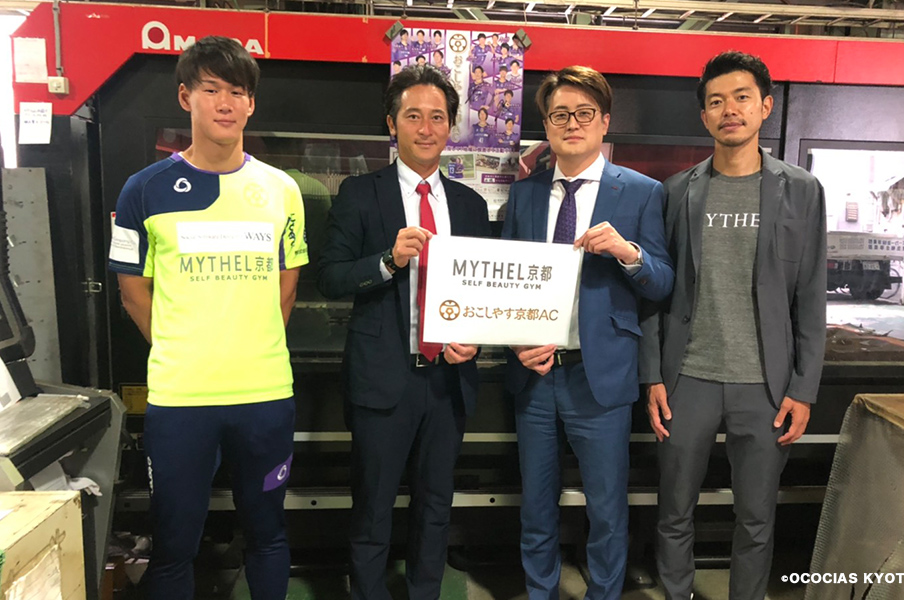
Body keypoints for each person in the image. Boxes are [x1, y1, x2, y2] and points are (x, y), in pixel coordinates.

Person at [108, 36, 306, 600]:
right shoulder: (143, 190)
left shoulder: (282, 190)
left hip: (265, 395)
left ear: (251, 104)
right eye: (211, 89)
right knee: (175, 544)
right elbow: (132, 292)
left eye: (237, 92)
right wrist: (184, 349)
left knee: (267, 533)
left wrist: (248, 344)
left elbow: (287, 287)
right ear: (185, 96)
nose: (225, 103)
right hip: (181, 400)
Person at [640, 50, 826, 600]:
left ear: (765, 106)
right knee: (674, 510)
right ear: (704, 116)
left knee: (756, 518)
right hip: (687, 379)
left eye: (742, 97)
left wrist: (804, 388)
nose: (730, 110)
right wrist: (652, 375)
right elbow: (655, 287)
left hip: (766, 385)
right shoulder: (676, 191)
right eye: (717, 101)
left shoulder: (802, 190)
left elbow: (811, 295)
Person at [318, 65, 491, 600]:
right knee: (372, 507)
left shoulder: (469, 205)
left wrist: (475, 338)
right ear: (392, 125)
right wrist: (387, 261)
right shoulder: (359, 194)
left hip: (448, 382)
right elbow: (330, 277)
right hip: (383, 381)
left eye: (437, 117)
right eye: (413, 116)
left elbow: (484, 292)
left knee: (436, 506)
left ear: (450, 127)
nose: (426, 127)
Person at [502, 65, 673, 600]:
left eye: (583, 113)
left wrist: (628, 252)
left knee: (606, 509)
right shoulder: (525, 195)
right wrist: (514, 340)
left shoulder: (641, 192)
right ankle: (540, 593)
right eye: (559, 115)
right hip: (535, 377)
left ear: (604, 121)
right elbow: (505, 283)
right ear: (547, 126)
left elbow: (663, 282)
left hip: (601, 378)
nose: (571, 124)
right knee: (536, 507)